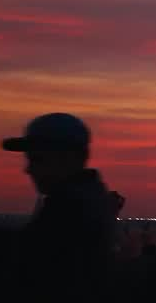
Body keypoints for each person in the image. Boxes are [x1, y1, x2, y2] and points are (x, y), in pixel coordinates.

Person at [3, 112, 117, 302]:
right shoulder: (84, 201)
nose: (28, 169)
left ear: (67, 158)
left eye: (37, 159)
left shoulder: (72, 210)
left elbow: (29, 257)